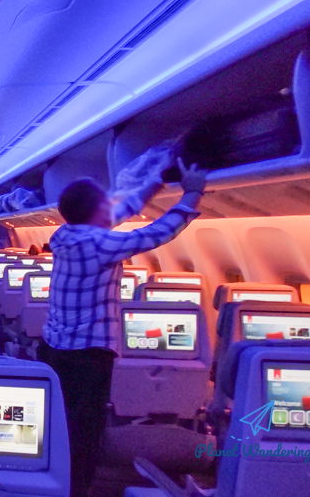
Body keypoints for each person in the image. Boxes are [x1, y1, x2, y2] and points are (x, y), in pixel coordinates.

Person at [39, 159, 206, 497]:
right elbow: (153, 234)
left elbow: (123, 210)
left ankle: (59, 479)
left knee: (62, 423)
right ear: (97, 211)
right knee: (85, 431)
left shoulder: (65, 235)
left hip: (55, 348)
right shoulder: (97, 244)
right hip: (85, 355)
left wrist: (157, 182)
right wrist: (191, 194)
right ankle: (76, 490)